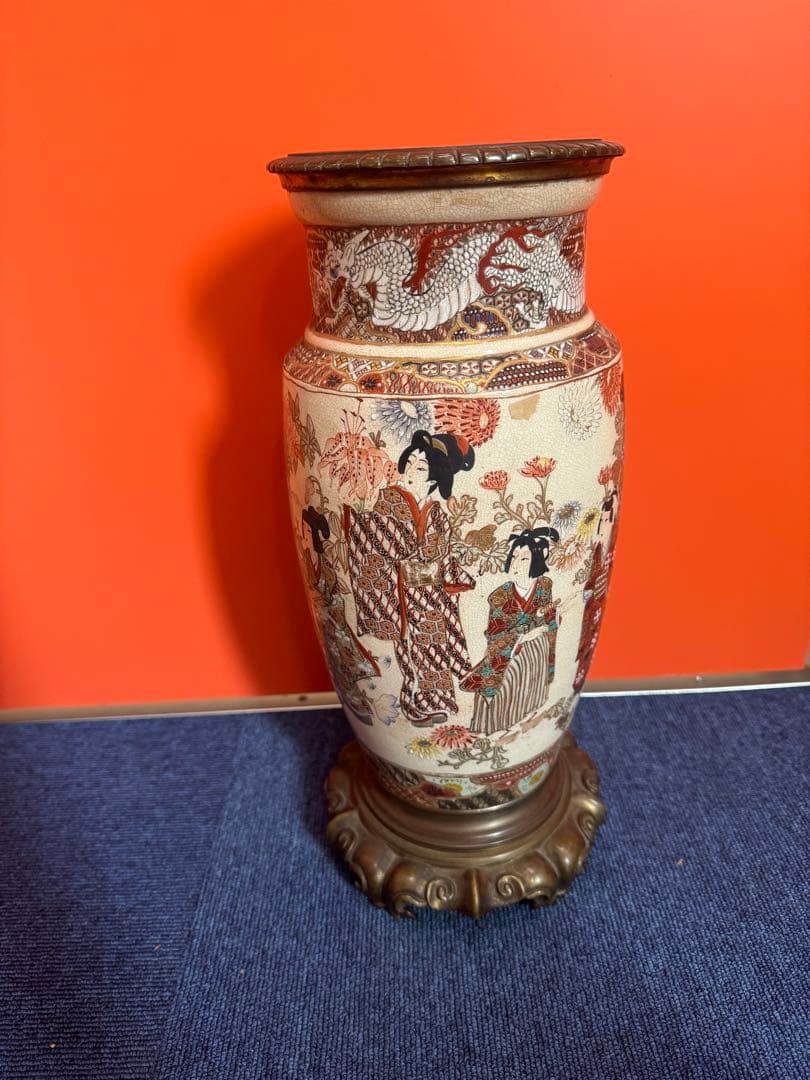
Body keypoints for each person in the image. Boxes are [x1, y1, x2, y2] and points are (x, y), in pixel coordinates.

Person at [344, 430, 475, 726]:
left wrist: (453, 575)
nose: (411, 470)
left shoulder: (436, 513)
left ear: (435, 478)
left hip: (433, 597)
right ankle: (414, 705)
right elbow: (379, 544)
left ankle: (438, 702)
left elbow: (443, 552)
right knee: (411, 653)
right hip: (402, 594)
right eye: (411, 462)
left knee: (435, 648)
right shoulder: (389, 504)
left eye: (421, 466)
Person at [461, 528, 560, 735]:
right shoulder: (501, 596)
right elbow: (495, 636)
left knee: (536, 666)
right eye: (513, 557)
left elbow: (549, 618)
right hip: (507, 653)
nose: (515, 564)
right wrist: (524, 636)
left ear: (537, 561)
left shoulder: (544, 585)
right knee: (506, 680)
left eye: (524, 559)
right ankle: (496, 726)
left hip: (537, 649)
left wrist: (551, 617)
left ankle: (529, 714)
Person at [301, 505, 379, 725]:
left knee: (348, 665)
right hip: (329, 621)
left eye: (309, 529)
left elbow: (331, 589)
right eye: (306, 529)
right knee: (342, 667)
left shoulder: (324, 559)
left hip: (335, 619)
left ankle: (363, 706)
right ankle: (360, 708)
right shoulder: (312, 556)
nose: (306, 532)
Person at [573, 490, 618, 691]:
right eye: (602, 520)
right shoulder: (598, 550)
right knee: (585, 642)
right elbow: (591, 579)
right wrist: (587, 591)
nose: (604, 525)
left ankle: (577, 680)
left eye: (608, 520)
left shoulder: (605, 548)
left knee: (589, 643)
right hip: (591, 604)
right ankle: (577, 677)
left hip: (596, 603)